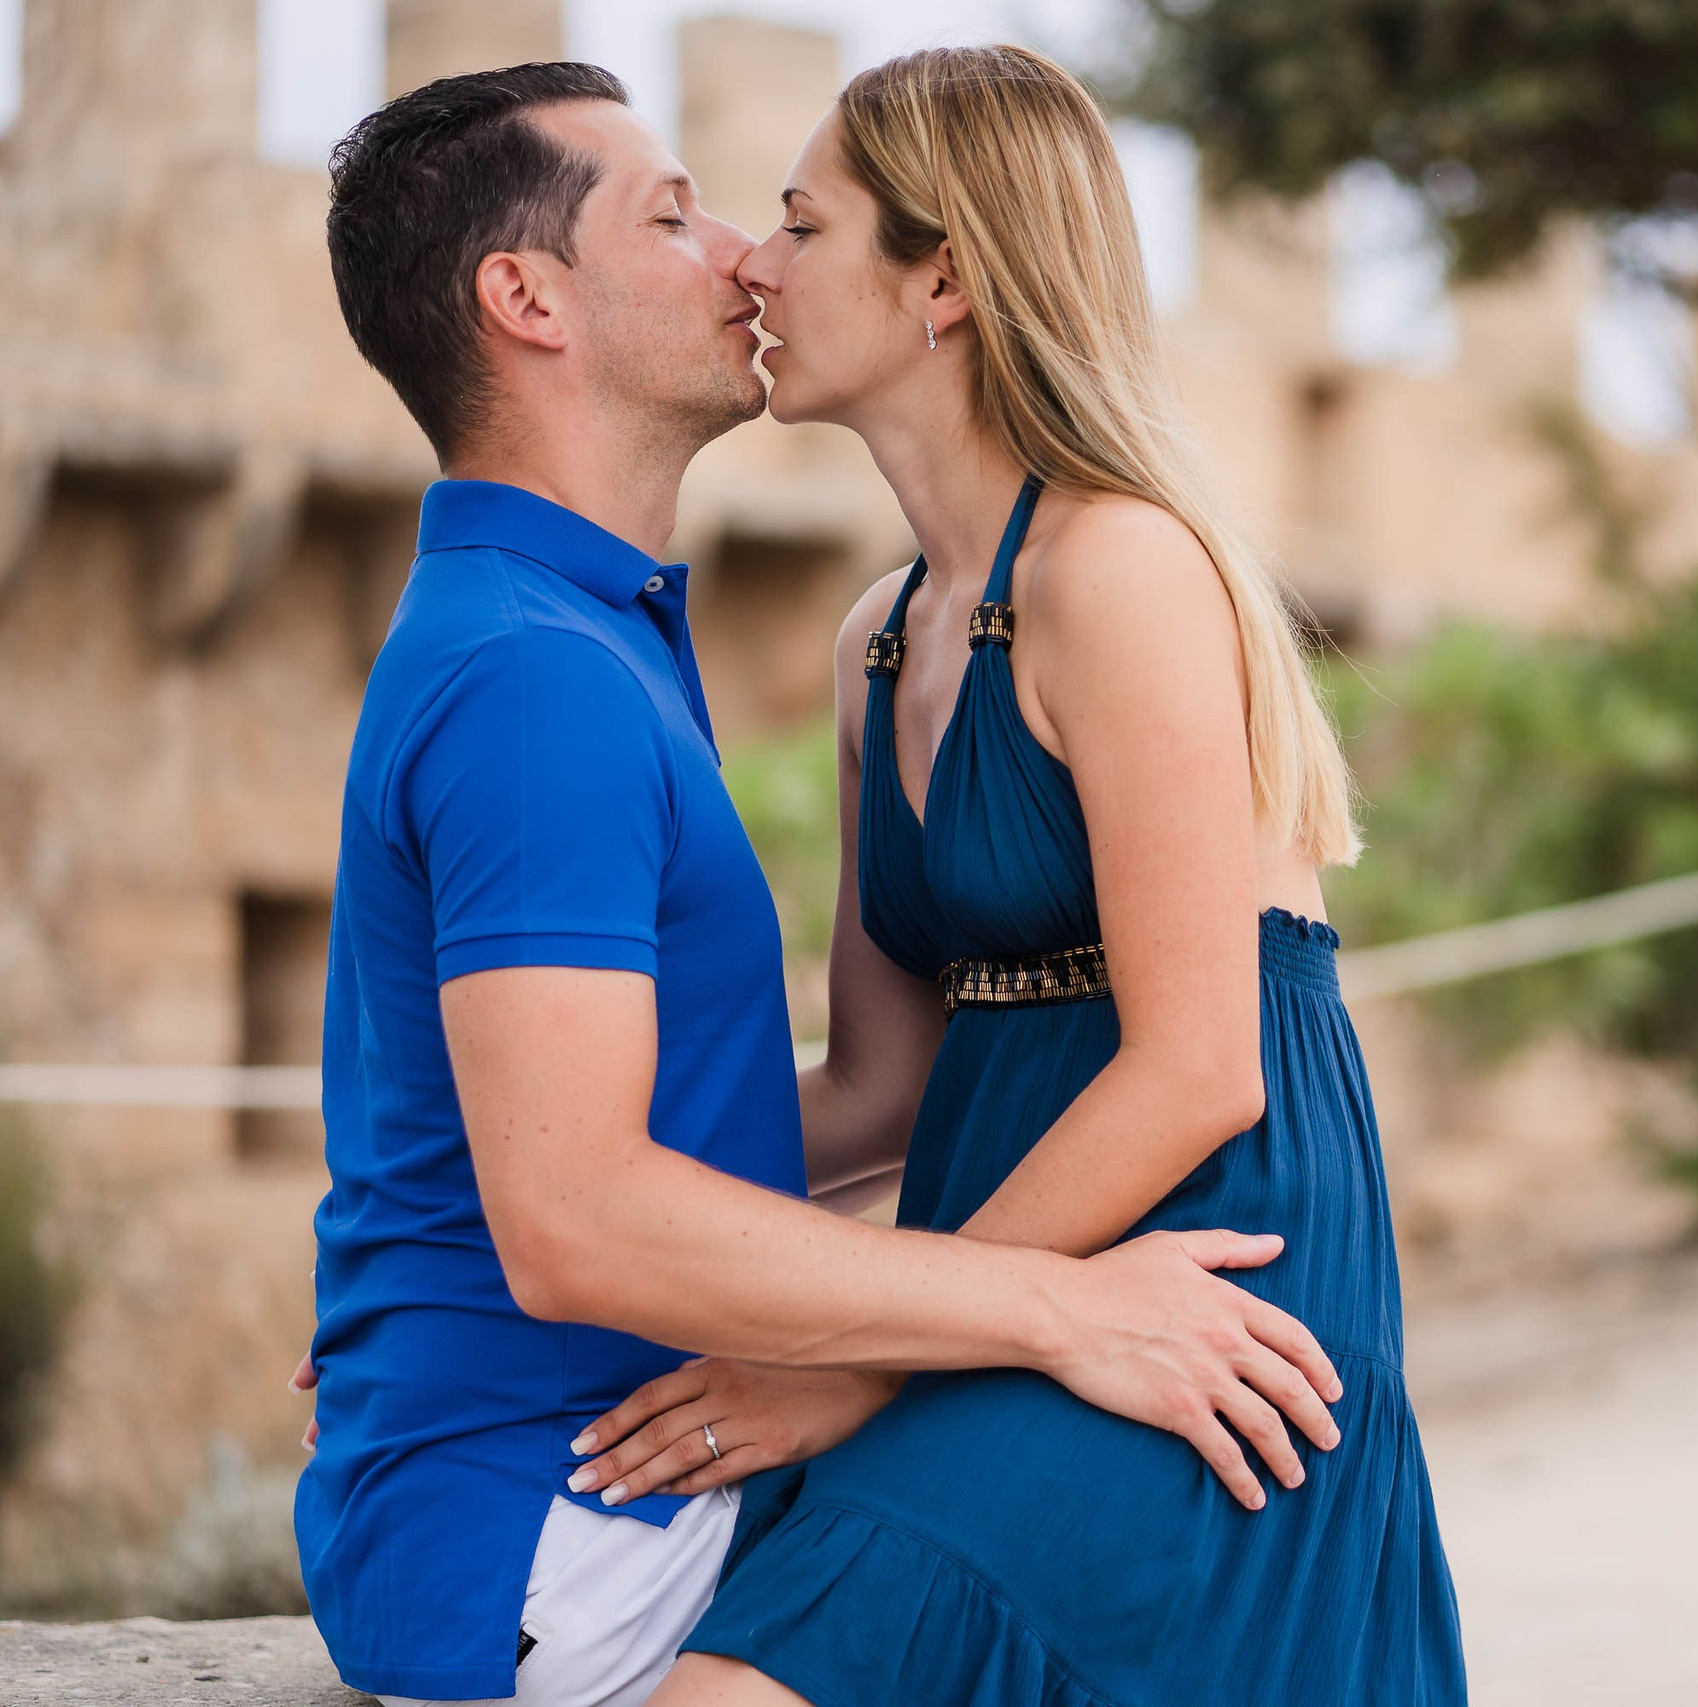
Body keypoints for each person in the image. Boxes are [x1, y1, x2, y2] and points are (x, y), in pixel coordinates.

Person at [297, 61, 1341, 1707]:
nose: (742, 257)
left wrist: (445, 1265)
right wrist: (1038, 1311)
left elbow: (869, 1096)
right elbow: (574, 1215)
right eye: (678, 216)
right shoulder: (538, 678)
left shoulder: (586, 636)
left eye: (784, 220)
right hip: (559, 1513)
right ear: (527, 300)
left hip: (605, 1448)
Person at [582, 44, 1466, 1707]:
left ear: (947, 284)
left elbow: (1201, 1070)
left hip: (1210, 1275)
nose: (757, 264)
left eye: (803, 222)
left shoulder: (1120, 570)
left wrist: (863, 1353)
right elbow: (876, 1095)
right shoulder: (882, 640)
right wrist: (524, 1217)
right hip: (1002, 1269)